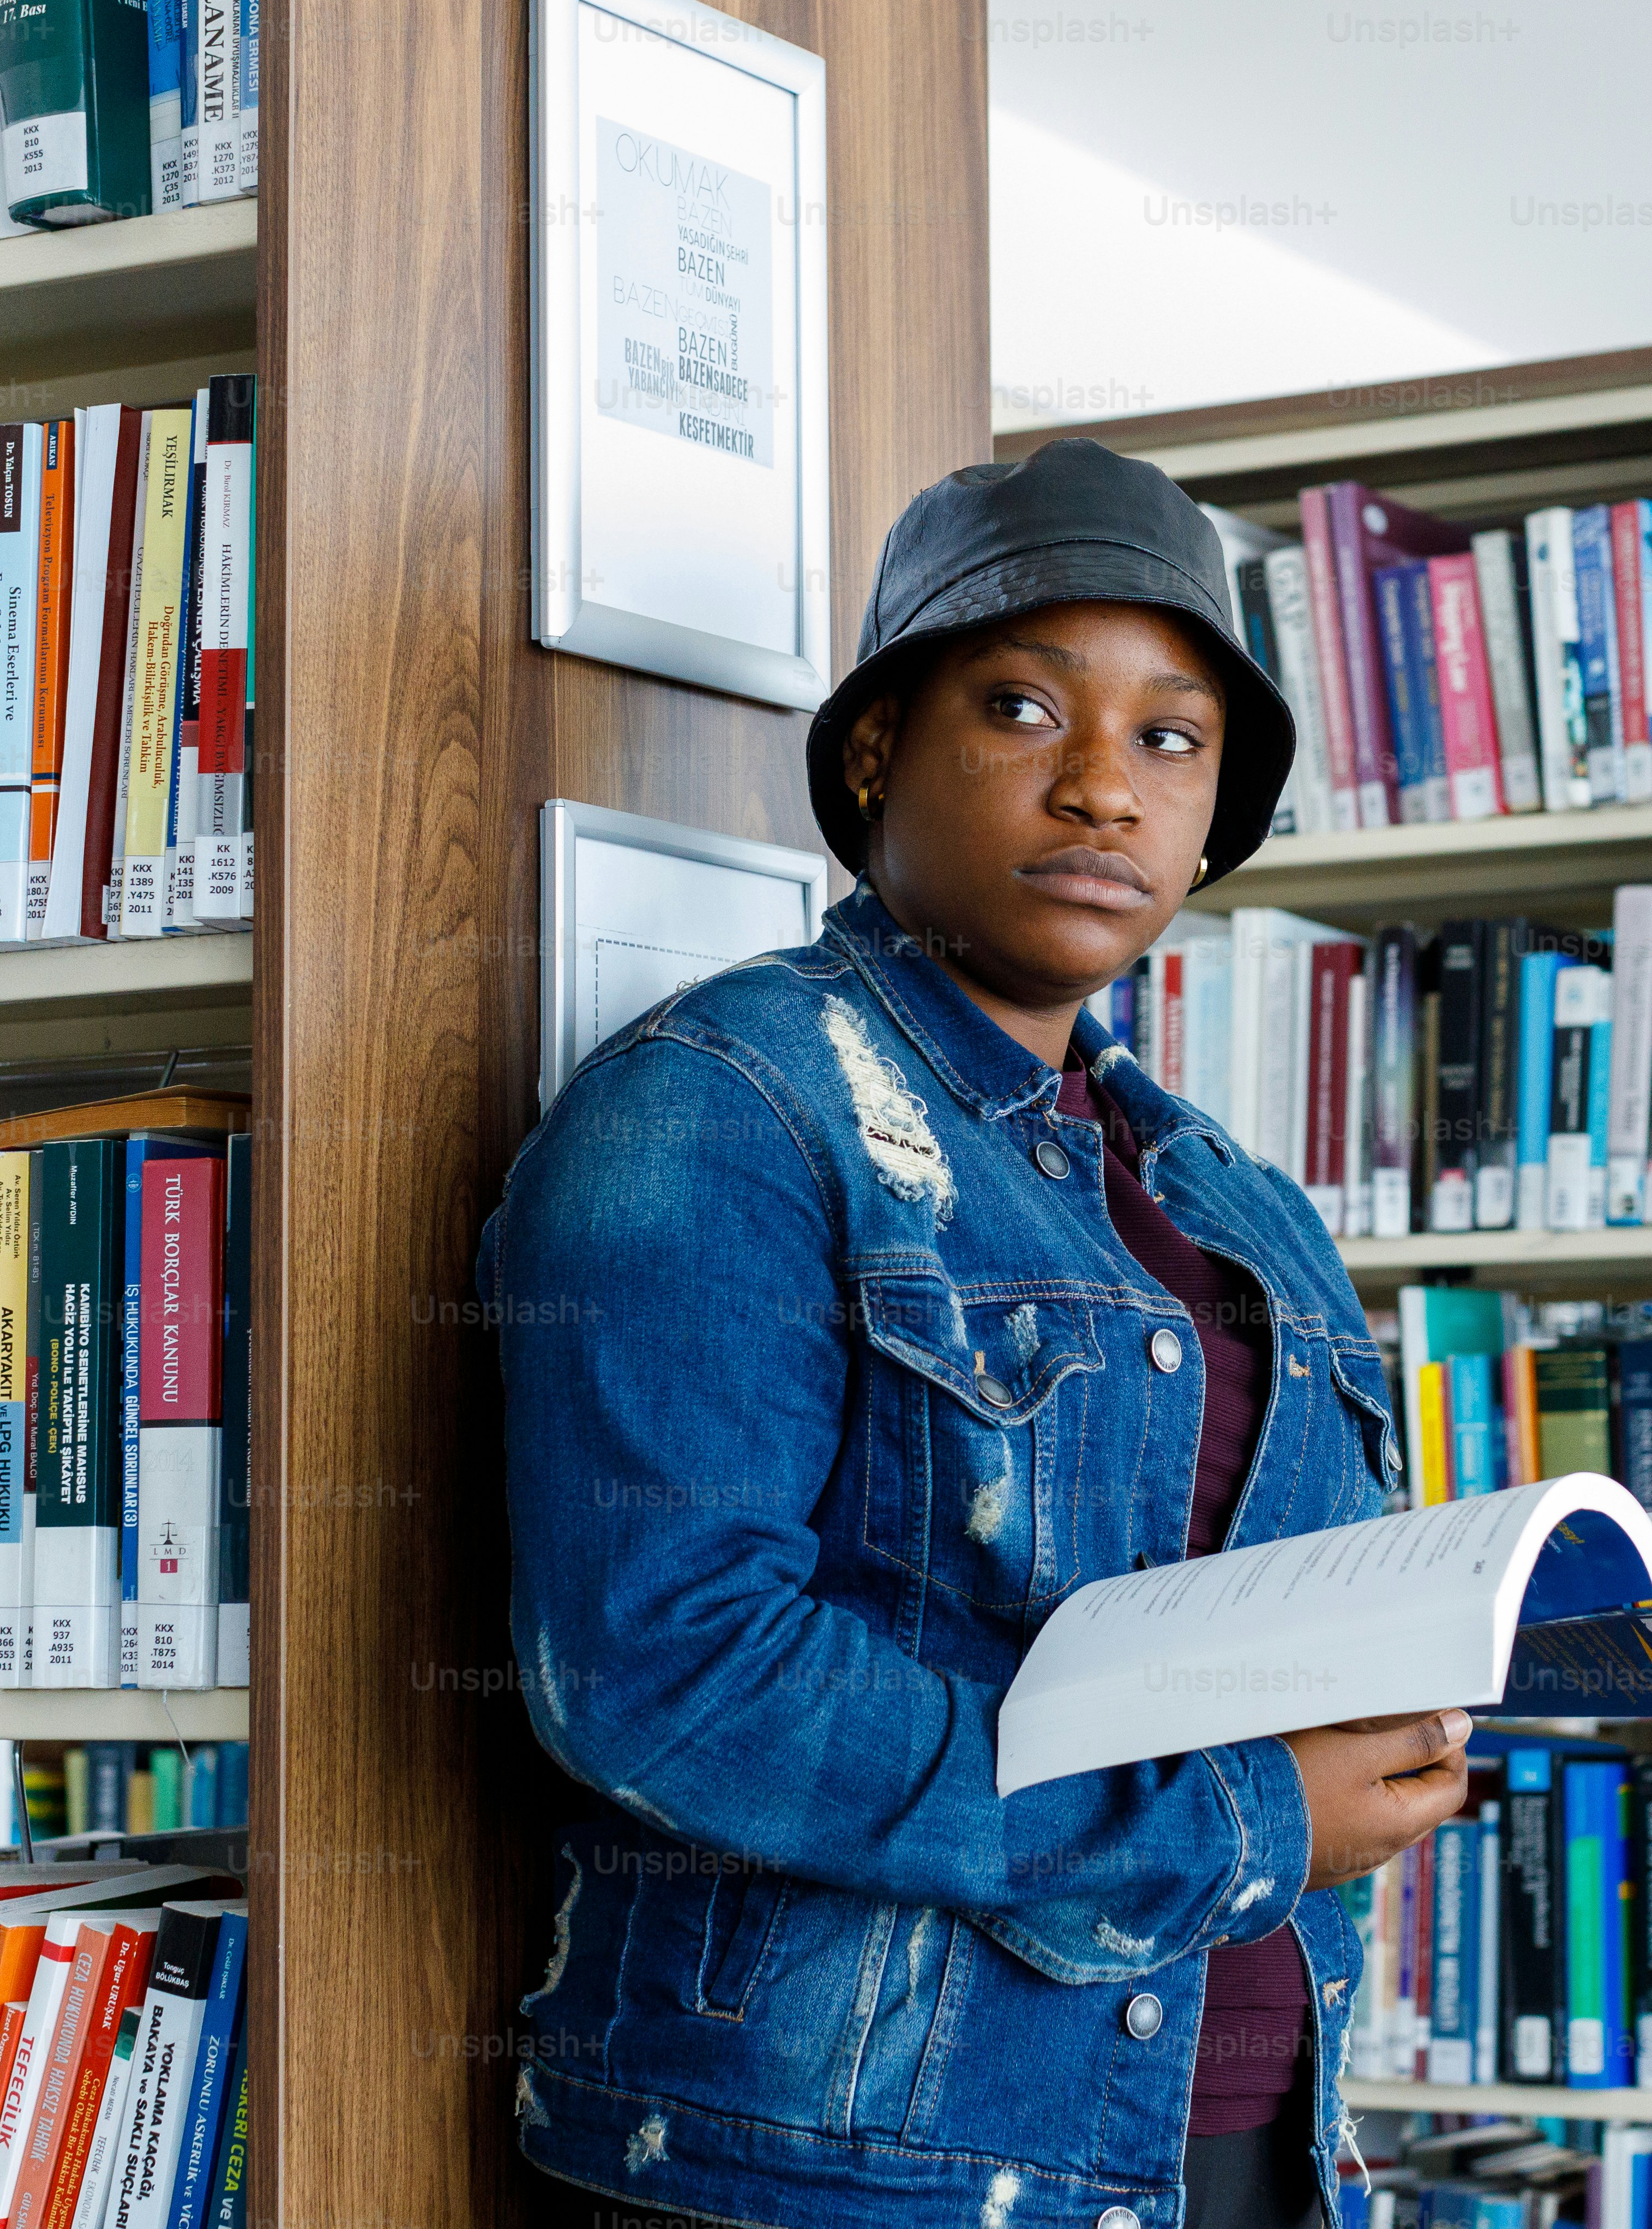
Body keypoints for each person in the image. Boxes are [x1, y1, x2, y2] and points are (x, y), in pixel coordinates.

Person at [483, 439, 1473, 2229]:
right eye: (1024, 708)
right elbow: (665, 1670)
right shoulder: (722, 1111)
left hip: (1229, 2138)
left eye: (1171, 739)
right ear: (878, 752)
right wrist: (1237, 1824)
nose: (1105, 788)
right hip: (846, 2168)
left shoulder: (1243, 1204)